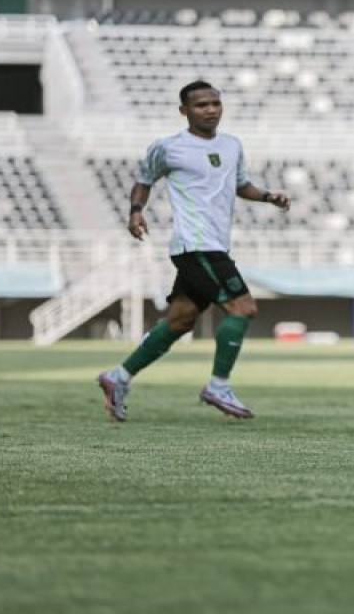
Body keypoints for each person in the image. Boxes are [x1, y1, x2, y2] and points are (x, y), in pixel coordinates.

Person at [95, 80, 290, 422]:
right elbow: (144, 180)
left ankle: (118, 377)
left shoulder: (232, 145)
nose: (210, 109)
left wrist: (267, 196)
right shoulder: (168, 148)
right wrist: (136, 211)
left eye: (215, 103)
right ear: (184, 111)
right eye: (201, 105)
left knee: (181, 320)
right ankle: (218, 385)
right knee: (242, 307)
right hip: (195, 244)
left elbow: (240, 184)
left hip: (214, 243)